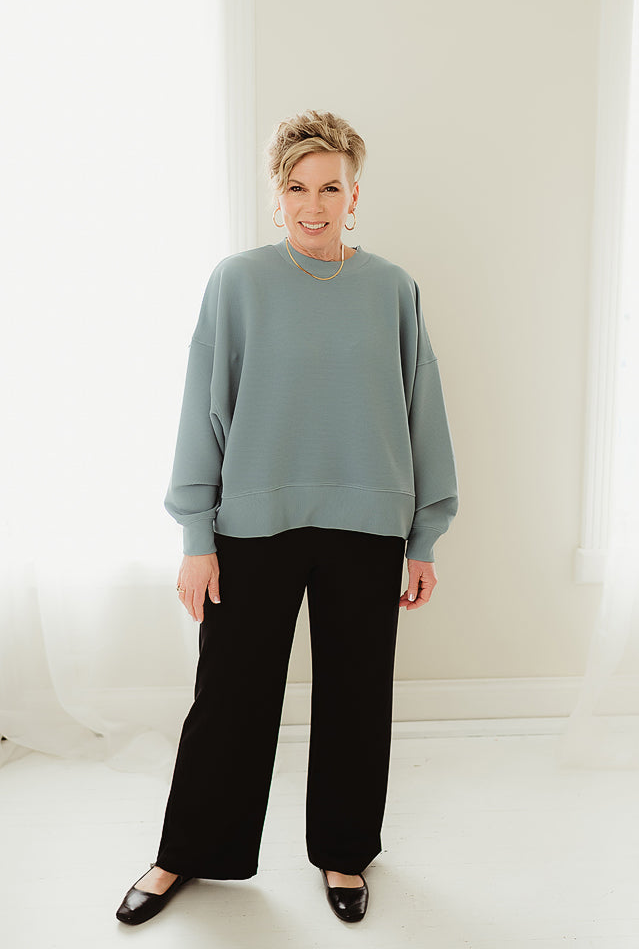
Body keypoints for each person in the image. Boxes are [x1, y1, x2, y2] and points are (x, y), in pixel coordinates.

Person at [116, 109, 459, 927]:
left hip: (367, 525)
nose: (313, 204)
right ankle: (183, 854)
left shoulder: (391, 288)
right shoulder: (237, 282)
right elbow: (203, 409)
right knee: (228, 698)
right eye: (297, 187)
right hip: (252, 526)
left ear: (353, 195)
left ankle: (344, 852)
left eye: (330, 188)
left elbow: (423, 413)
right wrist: (196, 536)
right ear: (276, 195)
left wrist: (424, 538)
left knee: (355, 696)